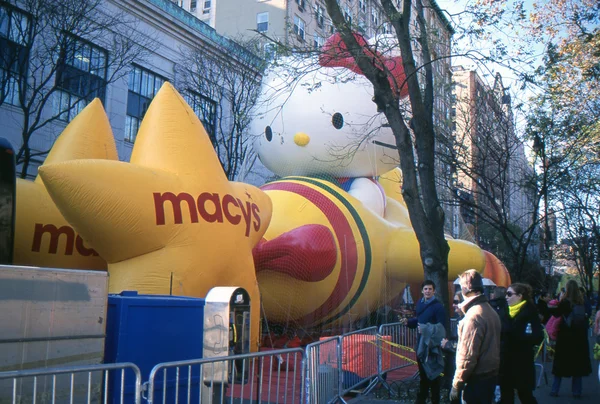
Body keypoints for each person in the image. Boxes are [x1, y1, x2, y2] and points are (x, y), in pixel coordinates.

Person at [450, 269, 501, 404]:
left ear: (465, 288)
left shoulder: (474, 316)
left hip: (476, 379)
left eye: (461, 287)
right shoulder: (489, 310)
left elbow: (467, 356)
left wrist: (456, 384)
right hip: (489, 375)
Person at [401, 280, 446, 404]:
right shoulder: (420, 304)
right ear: (422, 291)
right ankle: (421, 399)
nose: (427, 291)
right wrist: (409, 322)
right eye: (425, 289)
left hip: (432, 345)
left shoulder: (438, 307)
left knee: (433, 374)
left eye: (430, 289)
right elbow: (419, 320)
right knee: (423, 374)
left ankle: (434, 399)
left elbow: (441, 327)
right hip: (421, 344)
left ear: (434, 291)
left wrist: (427, 329)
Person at [499, 283, 544, 404]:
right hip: (505, 361)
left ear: (520, 296)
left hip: (522, 361)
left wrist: (521, 337)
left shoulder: (530, 312)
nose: (506, 297)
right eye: (505, 294)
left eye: (509, 294)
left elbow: (538, 336)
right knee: (506, 396)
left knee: (525, 395)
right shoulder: (503, 311)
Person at [550, 280, 592, 398]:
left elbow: (556, 314)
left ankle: (555, 390)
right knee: (577, 366)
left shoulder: (564, 302)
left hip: (565, 337)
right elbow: (587, 315)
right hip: (579, 338)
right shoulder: (583, 302)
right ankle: (576, 391)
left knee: (560, 366)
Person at [489, 287, 510, 403]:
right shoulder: (507, 308)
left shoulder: (490, 307)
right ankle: (498, 395)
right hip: (504, 345)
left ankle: (495, 394)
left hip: (493, 345)